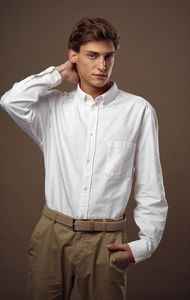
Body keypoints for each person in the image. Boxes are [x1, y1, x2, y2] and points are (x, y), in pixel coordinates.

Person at [0, 16, 168, 300]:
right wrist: (57, 74)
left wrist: (146, 243)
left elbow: (150, 183)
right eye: (92, 56)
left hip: (107, 240)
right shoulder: (53, 108)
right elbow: (10, 100)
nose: (102, 66)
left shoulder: (138, 111)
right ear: (73, 55)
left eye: (108, 56)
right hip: (52, 235)